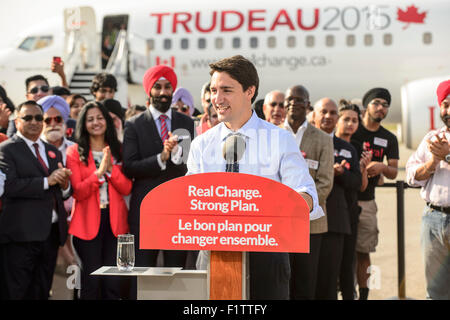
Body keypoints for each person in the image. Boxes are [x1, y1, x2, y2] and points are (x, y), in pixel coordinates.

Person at [187, 55, 322, 300]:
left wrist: (296, 202)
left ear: (250, 91)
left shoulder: (279, 140)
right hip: (214, 256)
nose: (217, 99)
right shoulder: (201, 145)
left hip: (267, 255)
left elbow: (306, 192)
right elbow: (189, 197)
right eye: (214, 90)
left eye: (227, 90)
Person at [122, 65, 195, 298]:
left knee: (177, 274)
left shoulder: (186, 121)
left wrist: (175, 155)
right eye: (158, 87)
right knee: (143, 274)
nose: (163, 92)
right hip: (146, 212)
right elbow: (129, 166)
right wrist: (161, 158)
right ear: (149, 90)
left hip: (177, 210)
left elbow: (185, 165)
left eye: (168, 87)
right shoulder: (134, 125)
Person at [0, 100, 71, 299]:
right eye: (28, 118)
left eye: (39, 118)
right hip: (20, 236)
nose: (34, 122)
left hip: (49, 236)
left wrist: (65, 185)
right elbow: (9, 186)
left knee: (41, 291)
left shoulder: (52, 151)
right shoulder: (6, 149)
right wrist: (46, 181)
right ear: (17, 120)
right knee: (17, 292)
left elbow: (60, 191)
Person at [66, 101, 132, 300]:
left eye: (100, 118)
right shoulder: (74, 152)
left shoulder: (118, 150)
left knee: (112, 282)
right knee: (91, 282)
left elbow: (127, 187)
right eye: (90, 119)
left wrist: (110, 170)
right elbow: (78, 191)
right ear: (83, 123)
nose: (96, 122)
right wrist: (100, 172)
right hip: (86, 225)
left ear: (107, 121)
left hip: (115, 223)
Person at [281, 85, 334, 300]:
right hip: (279, 224)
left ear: (308, 105)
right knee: (281, 279)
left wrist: (300, 208)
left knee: (305, 281)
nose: (294, 103)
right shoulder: (272, 134)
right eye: (290, 99)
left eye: (299, 99)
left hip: (311, 225)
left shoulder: (322, 139)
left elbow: (325, 182)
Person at [350, 87, 399, 300]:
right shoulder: (352, 130)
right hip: (344, 201)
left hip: (367, 204)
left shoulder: (389, 138)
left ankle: (364, 296)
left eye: (385, 105)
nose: (381, 108)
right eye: (377, 103)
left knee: (364, 253)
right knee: (340, 254)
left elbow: (394, 171)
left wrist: (381, 168)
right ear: (366, 105)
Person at [312, 98, 362, 300]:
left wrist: (340, 175)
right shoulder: (304, 142)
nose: (328, 116)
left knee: (330, 279)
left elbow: (357, 182)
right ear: (314, 115)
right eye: (323, 112)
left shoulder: (347, 148)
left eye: (333, 113)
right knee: (307, 279)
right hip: (309, 220)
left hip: (336, 221)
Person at [405, 79, 450, 300]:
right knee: (435, 292)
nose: (449, 110)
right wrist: (432, 162)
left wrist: (447, 156)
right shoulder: (431, 138)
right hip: (434, 220)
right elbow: (411, 176)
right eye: (445, 104)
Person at [335, 99, 372, 300]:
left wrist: (363, 168)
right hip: (331, 212)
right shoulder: (328, 142)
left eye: (355, 120)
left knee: (349, 261)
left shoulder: (356, 147)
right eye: (346, 119)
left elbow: (360, 185)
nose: (350, 124)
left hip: (350, 210)